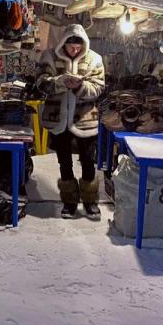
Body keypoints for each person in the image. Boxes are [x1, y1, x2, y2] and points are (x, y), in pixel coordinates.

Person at [36, 23, 105, 219]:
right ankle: (69, 201)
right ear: (64, 43)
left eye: (78, 47)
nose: (74, 50)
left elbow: (99, 87)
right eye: (70, 46)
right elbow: (40, 82)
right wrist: (59, 82)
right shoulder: (49, 56)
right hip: (58, 119)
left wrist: (79, 87)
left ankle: (90, 200)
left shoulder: (95, 59)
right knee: (63, 162)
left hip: (85, 120)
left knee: (88, 161)